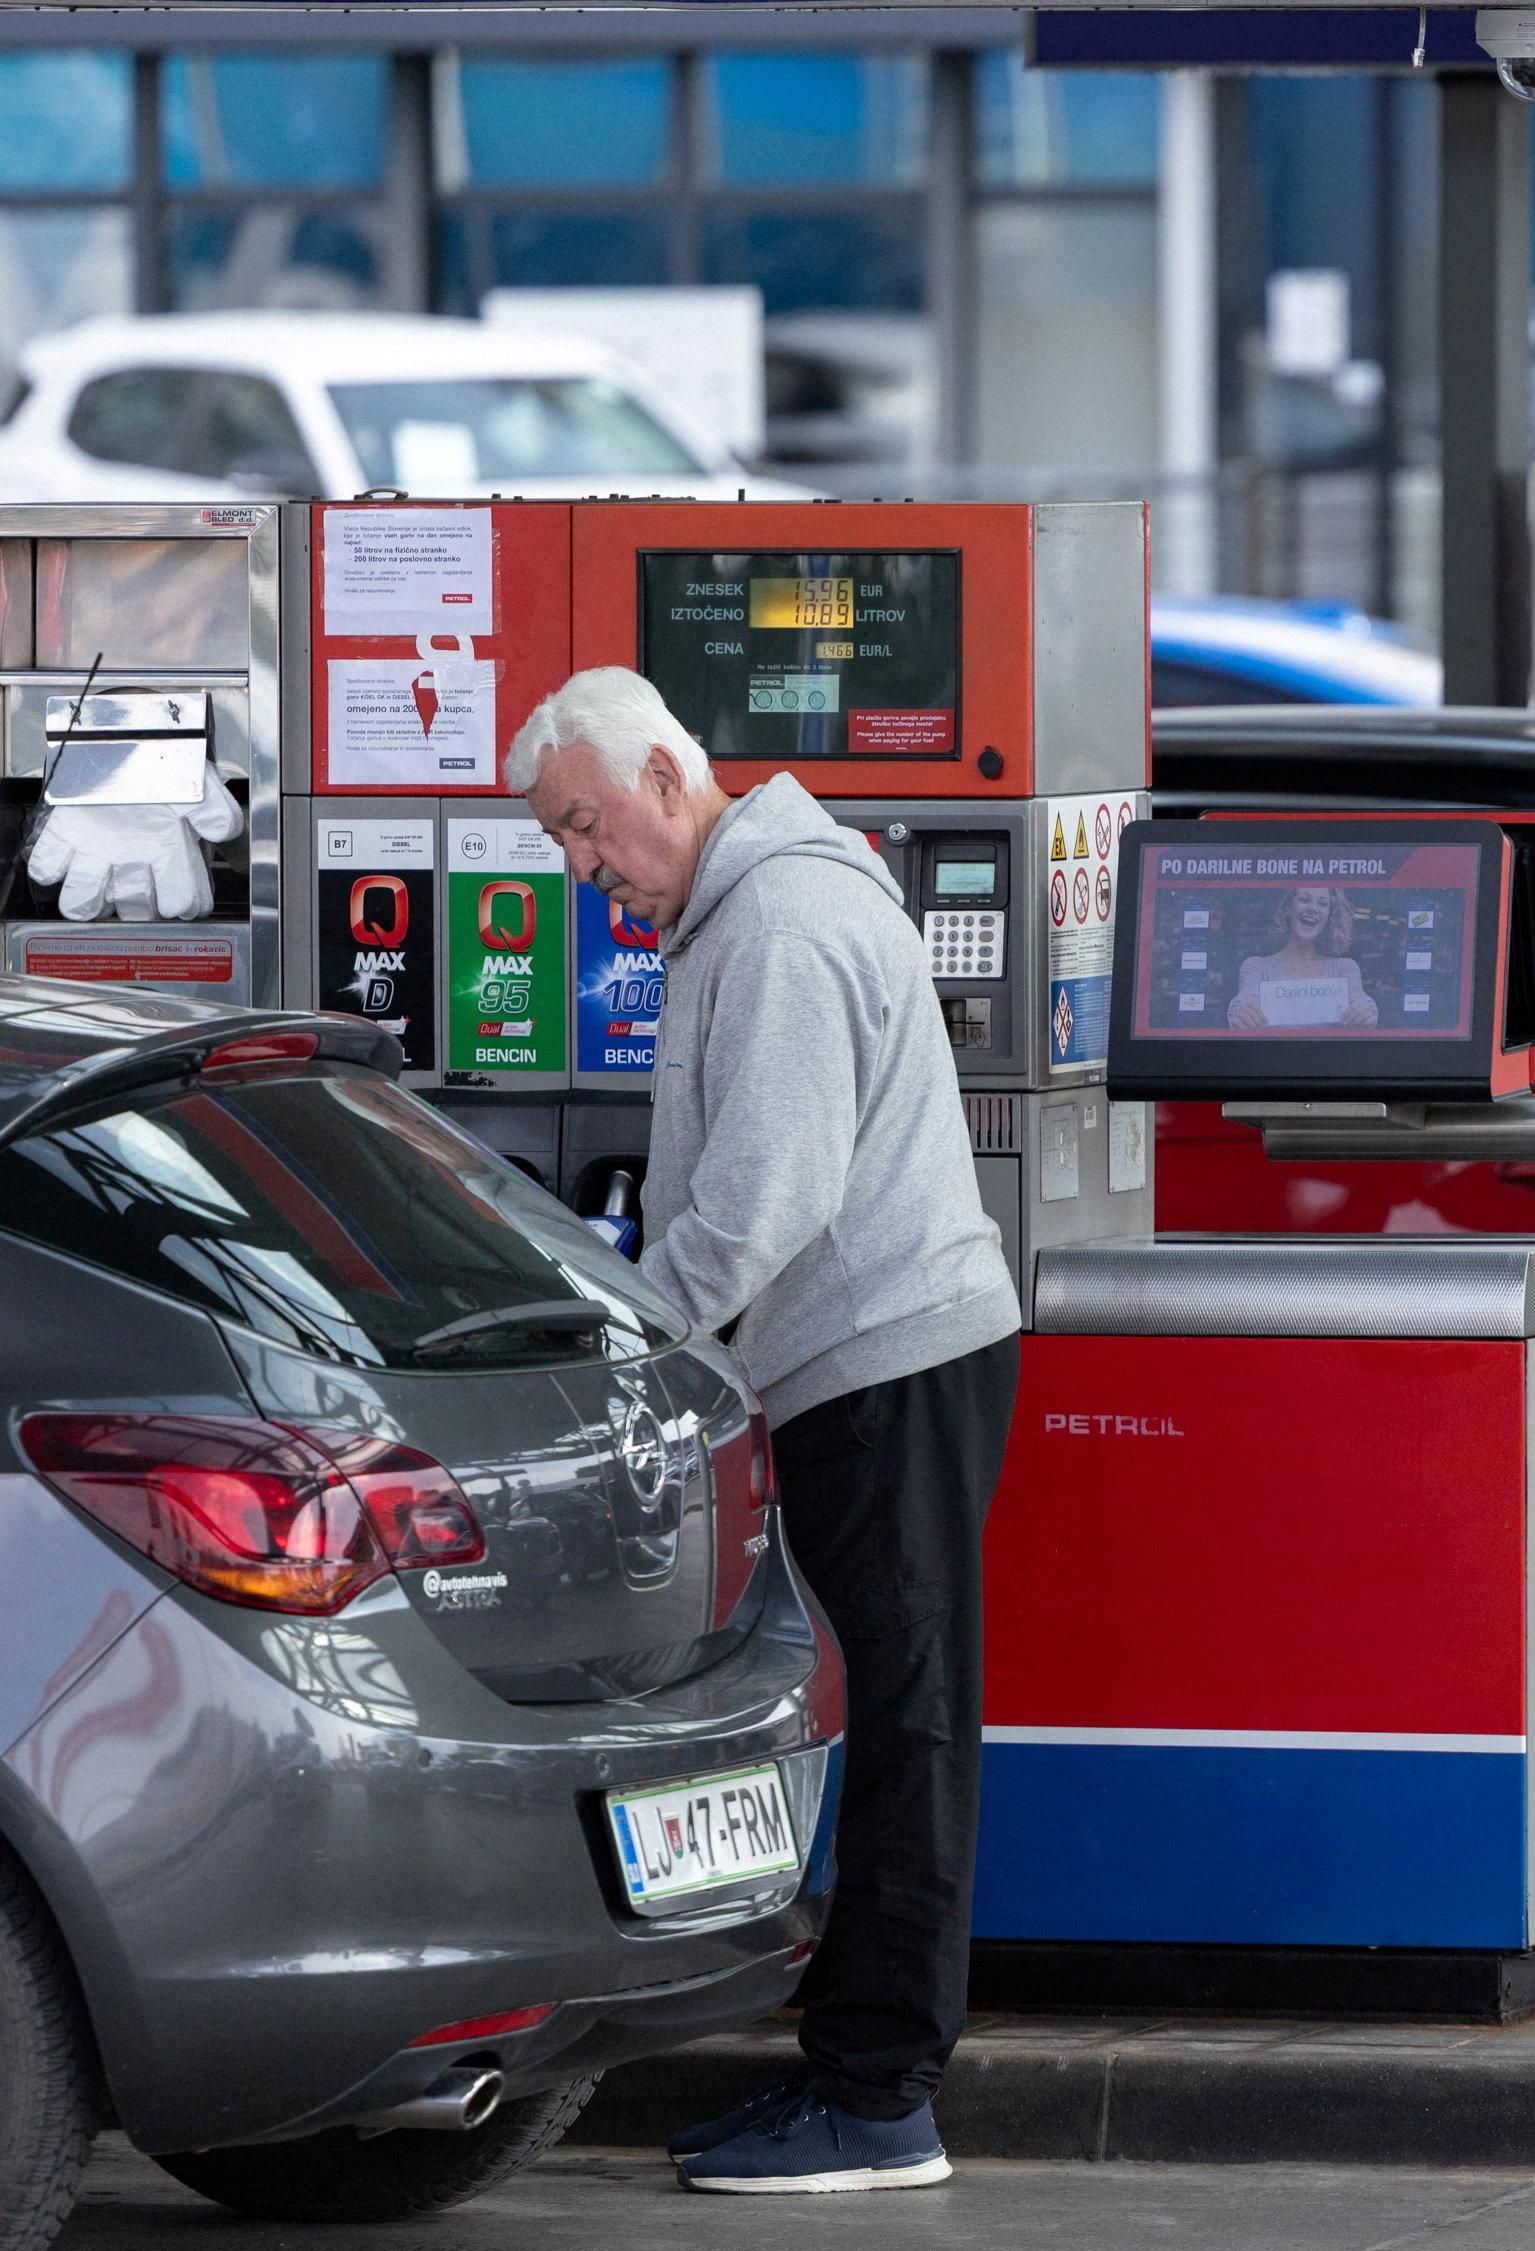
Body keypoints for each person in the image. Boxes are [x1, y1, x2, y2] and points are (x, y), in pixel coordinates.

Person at [507, 667, 1022, 2197]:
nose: (580, 866)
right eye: (560, 842)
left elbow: (763, 1201)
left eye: (588, 826)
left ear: (670, 775)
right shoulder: (752, 905)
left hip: (885, 1361)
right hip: (867, 1363)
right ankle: (851, 2077)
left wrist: (625, 1339)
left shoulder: (784, 924)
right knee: (890, 1712)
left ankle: (878, 2100)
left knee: (913, 1723)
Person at [1226, 885, 1379, 1028]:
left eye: (1323, 904)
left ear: (1330, 915)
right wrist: (1240, 1012)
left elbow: (1360, 1000)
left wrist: (1366, 1011)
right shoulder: (1257, 967)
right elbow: (1245, 1000)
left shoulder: (1344, 968)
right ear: (1288, 908)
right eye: (1304, 900)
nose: (1313, 908)